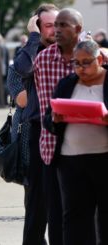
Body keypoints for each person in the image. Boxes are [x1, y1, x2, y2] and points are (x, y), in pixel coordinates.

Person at [44, 40, 108, 245]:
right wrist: (54, 119)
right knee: (74, 217)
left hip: (104, 160)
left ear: (99, 59)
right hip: (70, 161)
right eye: (76, 63)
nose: (81, 68)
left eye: (86, 62)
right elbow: (47, 118)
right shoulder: (67, 83)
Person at [34, 8, 84, 244]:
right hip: (53, 148)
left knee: (87, 212)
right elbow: (46, 106)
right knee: (56, 213)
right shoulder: (43, 60)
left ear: (78, 29)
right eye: (55, 25)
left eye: (64, 25)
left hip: (90, 148)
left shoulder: (94, 56)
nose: (57, 29)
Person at [13, 4, 59, 245]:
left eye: (57, 24)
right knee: (37, 201)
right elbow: (22, 69)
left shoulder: (72, 49)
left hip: (69, 132)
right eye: (48, 25)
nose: (54, 30)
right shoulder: (31, 51)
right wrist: (32, 37)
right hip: (37, 131)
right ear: (38, 27)